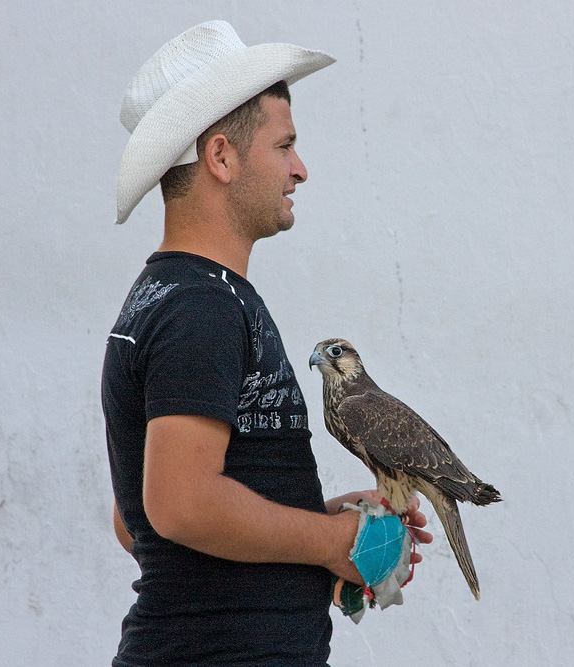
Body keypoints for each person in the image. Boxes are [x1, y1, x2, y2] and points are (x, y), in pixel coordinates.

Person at [102, 21, 431, 666]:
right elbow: (179, 503)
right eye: (284, 146)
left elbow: (136, 519)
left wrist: (318, 524)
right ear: (221, 157)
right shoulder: (204, 307)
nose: (301, 170)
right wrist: (327, 541)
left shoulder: (165, 296)